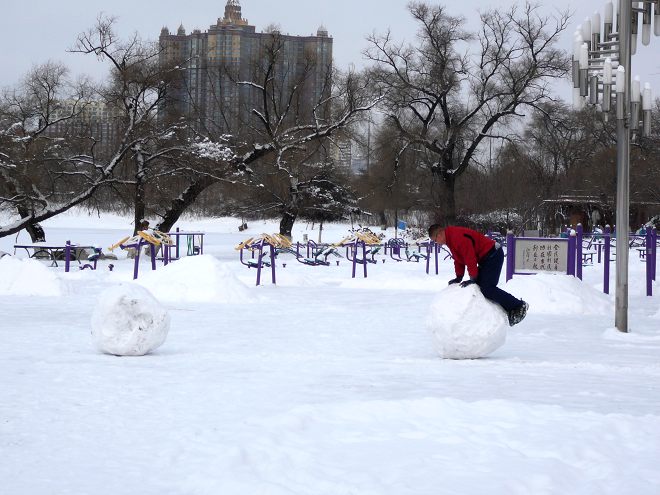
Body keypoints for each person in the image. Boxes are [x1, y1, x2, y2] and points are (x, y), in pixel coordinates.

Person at [428, 224, 529, 326]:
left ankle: (518, 306)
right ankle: (509, 310)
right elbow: (459, 259)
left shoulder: (457, 236)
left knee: (487, 288)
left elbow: (469, 257)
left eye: (435, 240)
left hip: (493, 254)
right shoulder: (451, 238)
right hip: (486, 258)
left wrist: (473, 277)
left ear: (440, 234)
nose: (437, 243)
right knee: (480, 287)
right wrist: (459, 277)